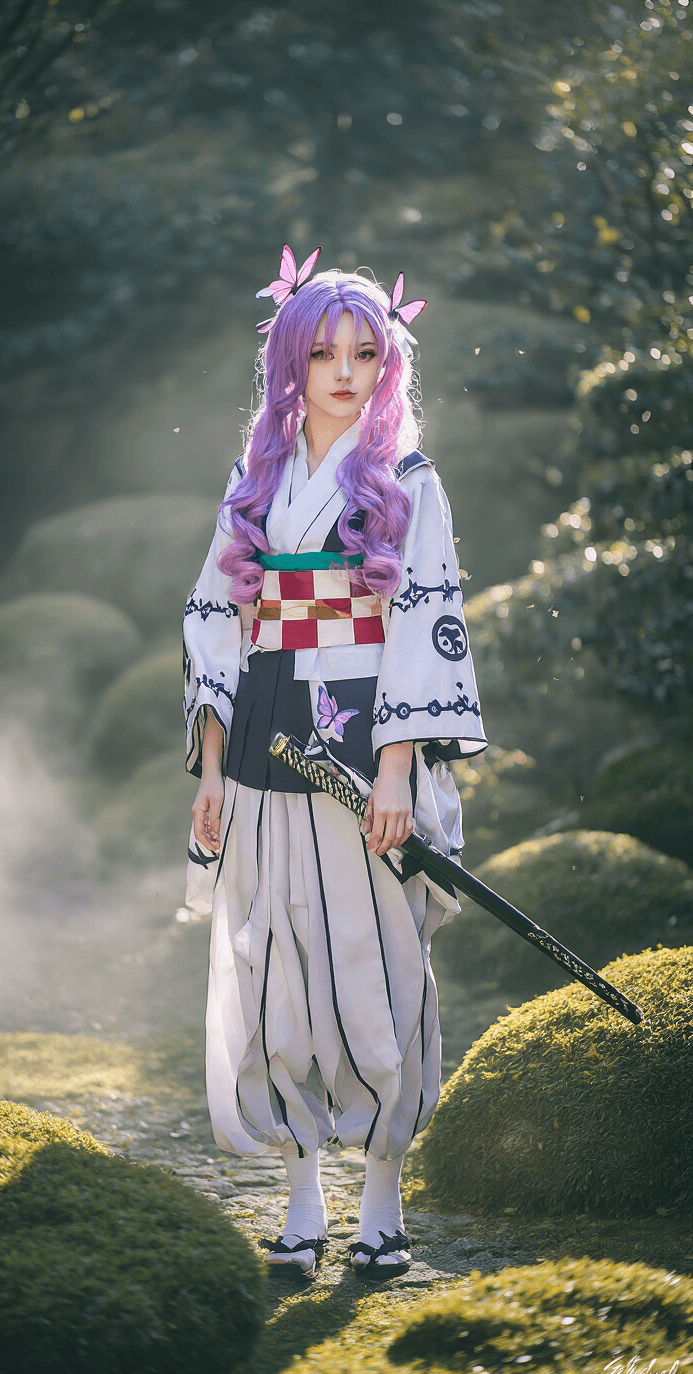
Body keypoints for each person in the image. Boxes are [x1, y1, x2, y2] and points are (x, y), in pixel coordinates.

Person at [183, 247, 487, 1280]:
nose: (345, 372)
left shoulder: (405, 478)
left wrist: (398, 773)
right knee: (279, 967)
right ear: (289, 364)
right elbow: (215, 623)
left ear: (387, 364)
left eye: (366, 352)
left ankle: (384, 1207)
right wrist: (212, 769)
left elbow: (420, 624)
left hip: (365, 745)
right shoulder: (255, 480)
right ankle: (304, 1203)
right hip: (266, 745)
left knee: (383, 966)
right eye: (323, 354)